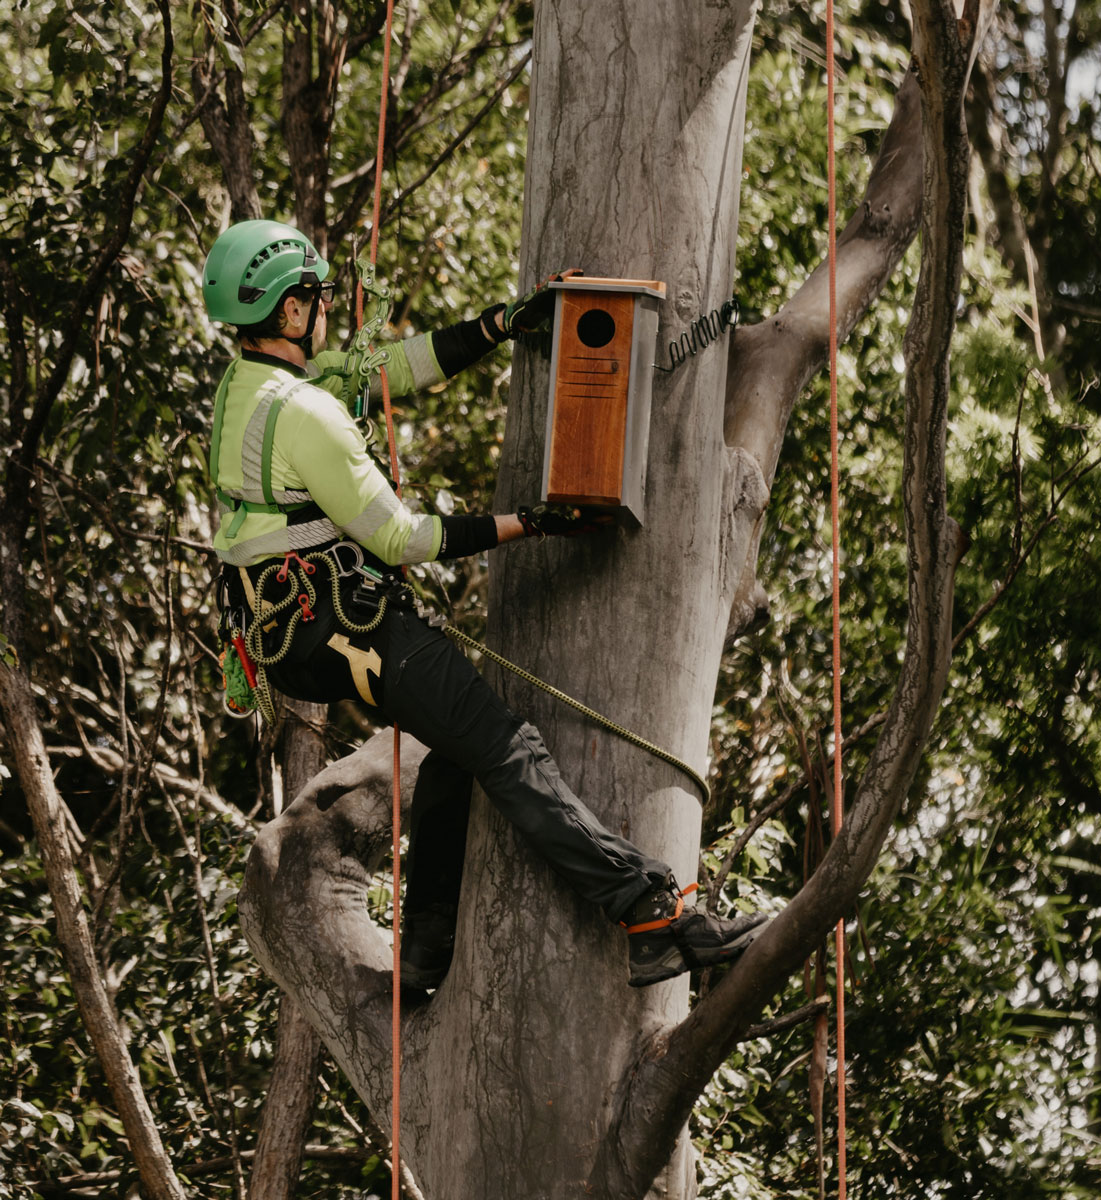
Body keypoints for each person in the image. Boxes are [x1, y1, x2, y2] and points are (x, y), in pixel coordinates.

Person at [203, 219, 765, 994]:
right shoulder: (310, 415)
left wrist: (503, 324)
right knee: (506, 747)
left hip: (294, 632)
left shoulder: (248, 391)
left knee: (451, 750)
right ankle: (648, 915)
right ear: (292, 314)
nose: (329, 307)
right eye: (318, 297)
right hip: (343, 624)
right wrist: (528, 522)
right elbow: (400, 538)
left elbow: (393, 368)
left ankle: (426, 944)